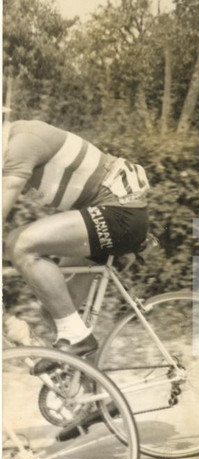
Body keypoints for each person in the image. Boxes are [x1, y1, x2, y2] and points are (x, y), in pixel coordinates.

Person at [3, 119, 150, 364]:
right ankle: (94, 386)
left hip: (119, 213)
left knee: (19, 244)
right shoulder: (11, 147)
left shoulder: (23, 141)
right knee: (56, 308)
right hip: (107, 214)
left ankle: (76, 338)